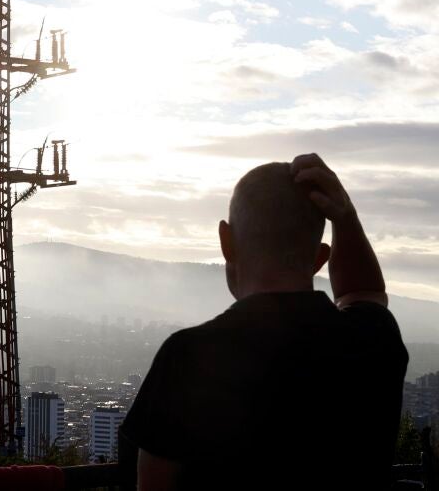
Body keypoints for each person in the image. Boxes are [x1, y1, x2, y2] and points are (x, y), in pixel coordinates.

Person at [120, 154, 408, 490]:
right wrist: (346, 217)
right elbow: (364, 291)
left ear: (226, 242)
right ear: (320, 259)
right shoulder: (373, 341)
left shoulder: (188, 358)